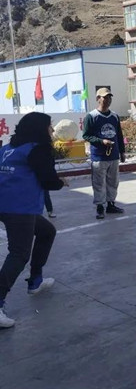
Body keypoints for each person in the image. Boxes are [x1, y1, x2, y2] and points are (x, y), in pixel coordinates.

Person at [0, 113, 68, 328]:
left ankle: (35, 280)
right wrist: (61, 182)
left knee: (47, 231)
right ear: (39, 128)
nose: (52, 130)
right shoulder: (37, 149)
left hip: (6, 204)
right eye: (49, 126)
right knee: (19, 254)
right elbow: (48, 180)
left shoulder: (8, 149)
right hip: (18, 208)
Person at [83, 88, 126, 220]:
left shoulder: (114, 116)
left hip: (113, 156)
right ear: (98, 99)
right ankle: (100, 206)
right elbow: (86, 135)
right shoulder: (91, 116)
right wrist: (101, 141)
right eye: (105, 97)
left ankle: (111, 204)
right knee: (99, 183)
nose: (107, 100)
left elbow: (119, 135)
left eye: (109, 97)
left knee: (113, 181)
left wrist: (122, 151)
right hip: (99, 156)